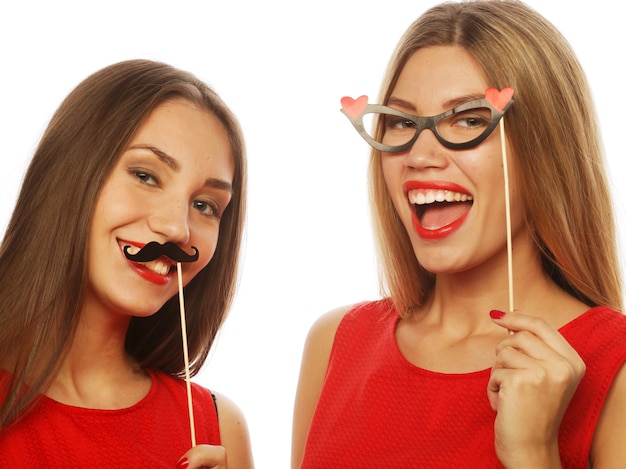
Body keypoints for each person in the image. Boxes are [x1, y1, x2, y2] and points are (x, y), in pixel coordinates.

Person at [292, 1, 626, 467]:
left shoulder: (617, 366)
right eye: (403, 122)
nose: (420, 155)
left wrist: (533, 453)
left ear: (545, 146)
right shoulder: (334, 343)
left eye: (469, 119)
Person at [0, 59, 254, 468]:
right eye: (145, 175)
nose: (177, 228)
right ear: (68, 173)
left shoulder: (216, 428)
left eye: (204, 205)